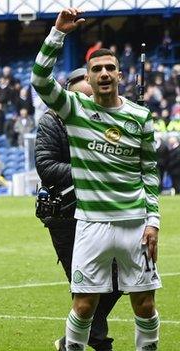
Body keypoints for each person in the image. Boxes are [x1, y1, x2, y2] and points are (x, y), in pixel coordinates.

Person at [32, 9, 161, 350]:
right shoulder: (74, 109)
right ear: (88, 77)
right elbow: (40, 79)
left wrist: (154, 222)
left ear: (120, 74)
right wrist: (57, 34)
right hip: (90, 225)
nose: (104, 74)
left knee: (145, 305)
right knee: (84, 305)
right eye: (97, 69)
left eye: (109, 68)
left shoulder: (140, 117)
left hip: (135, 224)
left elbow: (149, 173)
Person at [35, 67, 123, 351]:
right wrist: (89, 169)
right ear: (70, 88)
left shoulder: (103, 119)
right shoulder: (52, 121)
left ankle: (78, 339)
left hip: (102, 211)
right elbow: (46, 167)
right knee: (86, 284)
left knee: (119, 278)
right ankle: (97, 341)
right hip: (64, 213)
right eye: (85, 83)